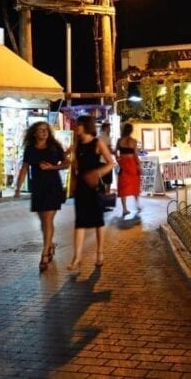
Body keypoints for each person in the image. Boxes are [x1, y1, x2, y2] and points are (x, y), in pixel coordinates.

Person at [14, 122, 70, 272]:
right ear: (34, 133)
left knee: (48, 220)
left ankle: (44, 254)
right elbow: (24, 169)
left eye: (46, 130)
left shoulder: (54, 147)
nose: (44, 133)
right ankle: (49, 245)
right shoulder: (30, 149)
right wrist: (18, 188)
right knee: (43, 223)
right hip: (38, 187)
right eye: (40, 130)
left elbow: (66, 163)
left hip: (53, 186)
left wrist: (53, 167)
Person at [68, 115, 114, 270]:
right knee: (79, 222)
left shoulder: (97, 143)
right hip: (81, 187)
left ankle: (100, 253)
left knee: (98, 221)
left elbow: (110, 163)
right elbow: (75, 167)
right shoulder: (77, 144)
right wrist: (72, 186)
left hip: (94, 187)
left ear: (85, 126)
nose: (76, 127)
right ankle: (77, 256)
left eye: (78, 124)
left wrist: (97, 173)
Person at [115, 123, 142, 217]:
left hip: (123, 164)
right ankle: (137, 205)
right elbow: (135, 155)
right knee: (135, 184)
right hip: (132, 164)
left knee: (123, 186)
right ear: (130, 131)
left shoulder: (119, 141)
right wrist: (139, 165)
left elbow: (116, 153)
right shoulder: (133, 141)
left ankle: (124, 209)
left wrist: (119, 161)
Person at [97, 122, 113, 194]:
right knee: (108, 182)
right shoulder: (107, 137)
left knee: (101, 181)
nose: (110, 129)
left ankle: (101, 196)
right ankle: (107, 196)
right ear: (105, 128)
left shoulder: (98, 137)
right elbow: (110, 150)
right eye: (109, 128)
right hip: (107, 162)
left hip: (99, 162)